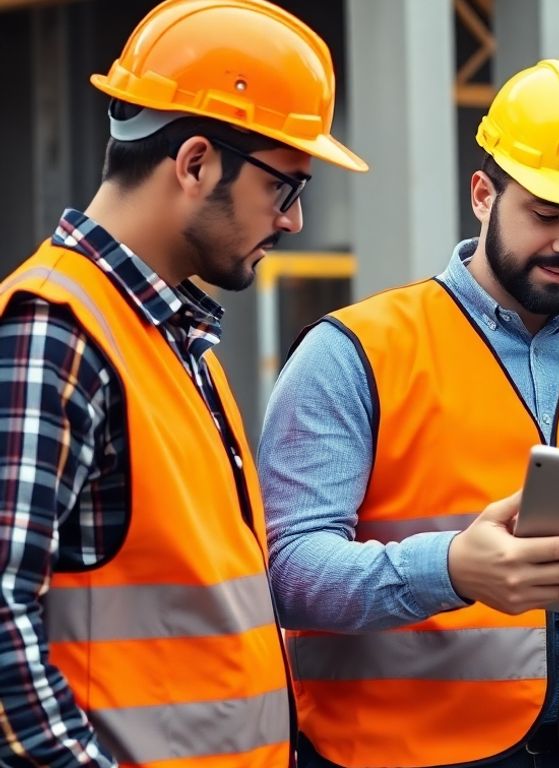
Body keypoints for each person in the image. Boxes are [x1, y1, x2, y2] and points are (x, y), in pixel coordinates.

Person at [259, 57, 559, 768]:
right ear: (482, 194)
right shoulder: (355, 351)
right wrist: (449, 569)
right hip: (397, 755)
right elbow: (285, 573)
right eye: (544, 214)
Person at [0, 1, 367, 766]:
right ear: (196, 163)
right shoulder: (57, 329)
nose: (295, 220)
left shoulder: (175, 341)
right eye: (286, 188)